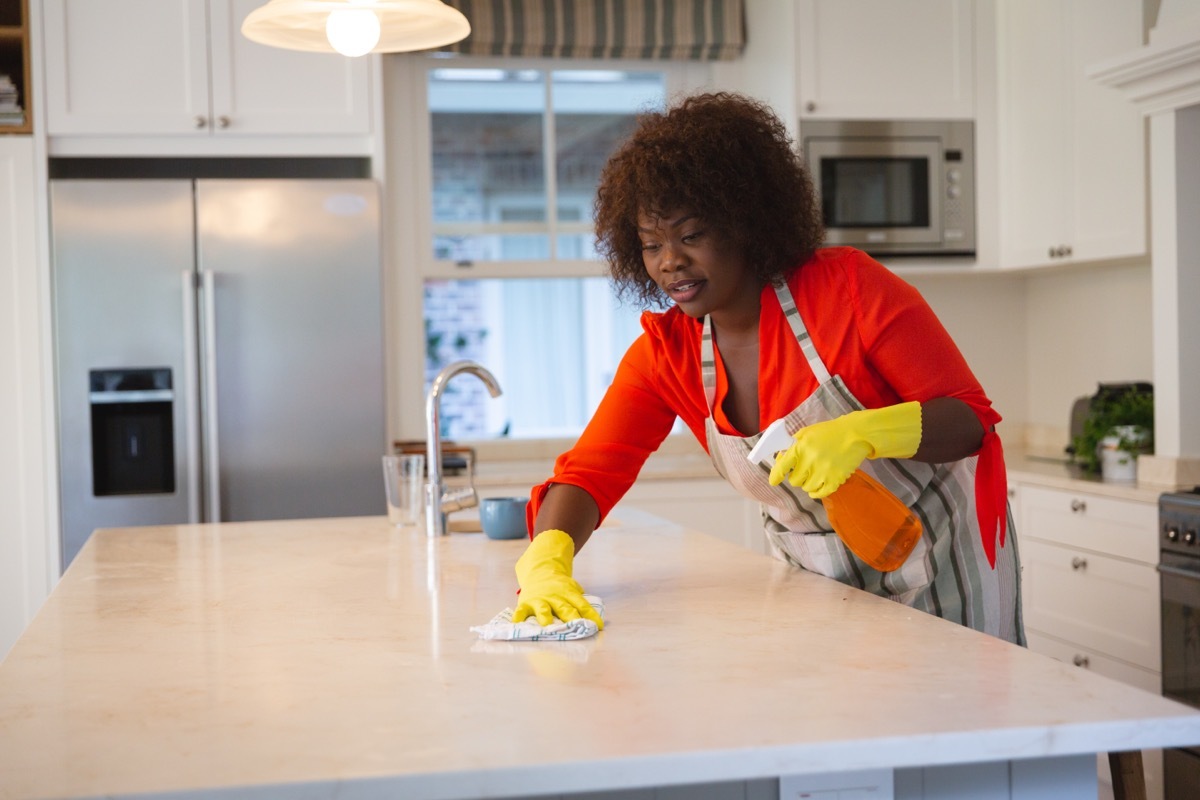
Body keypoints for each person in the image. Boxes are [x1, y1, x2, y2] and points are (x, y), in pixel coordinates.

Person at [510, 91, 1024, 645]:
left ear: (745, 222)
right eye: (652, 244)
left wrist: (867, 432)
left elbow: (970, 420)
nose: (669, 262)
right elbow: (590, 473)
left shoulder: (847, 289)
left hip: (939, 556)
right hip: (818, 583)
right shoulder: (667, 355)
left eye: (690, 236)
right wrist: (548, 556)